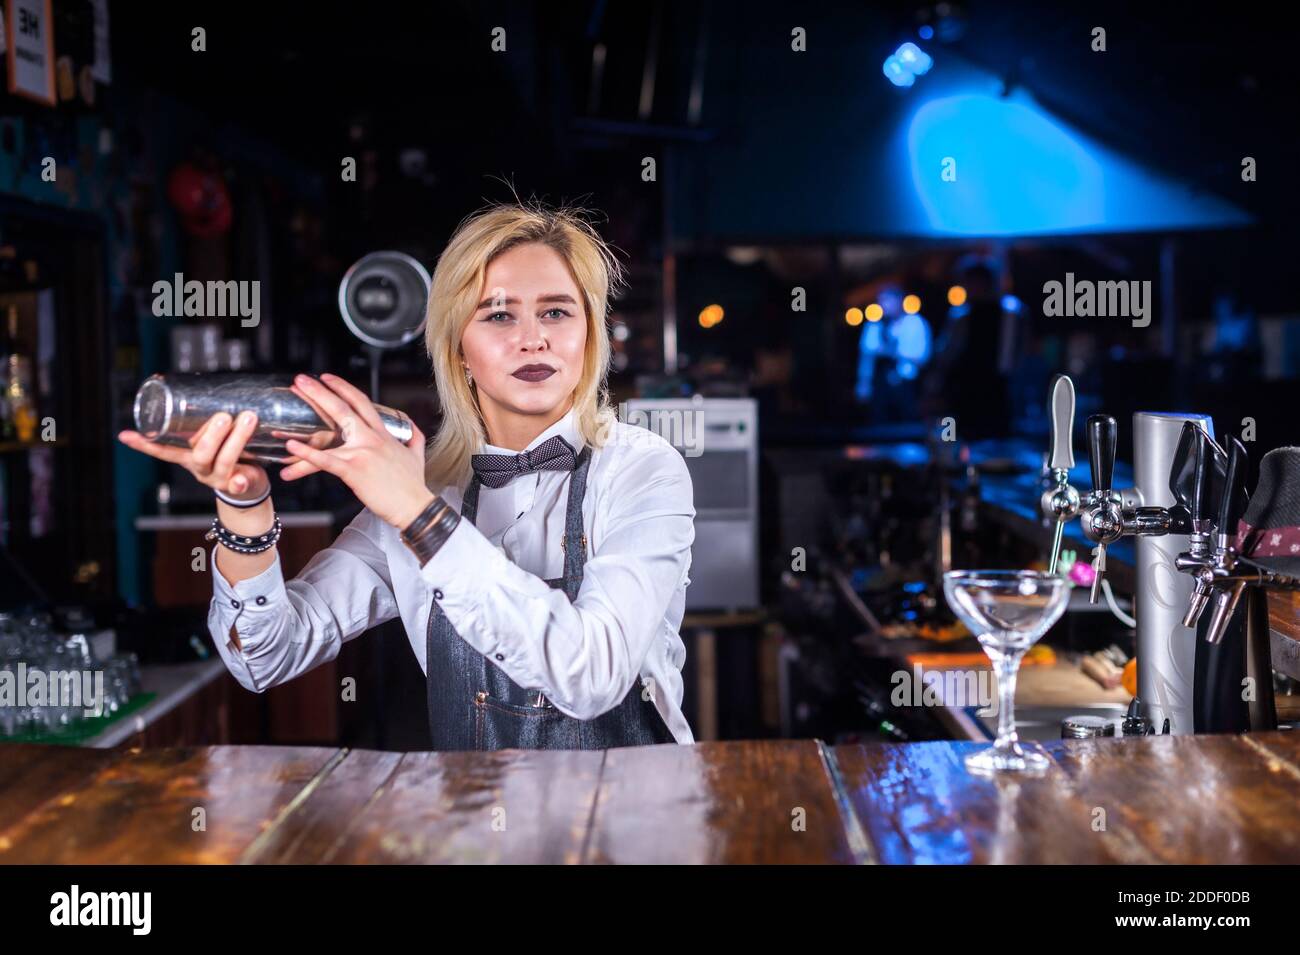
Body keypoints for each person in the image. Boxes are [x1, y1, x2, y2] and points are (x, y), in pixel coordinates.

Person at [118, 201, 697, 749]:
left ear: (589, 334)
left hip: (628, 829)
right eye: (498, 314)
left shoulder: (642, 469)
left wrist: (421, 518)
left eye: (556, 311)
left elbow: (593, 676)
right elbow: (265, 658)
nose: (533, 337)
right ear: (458, 350)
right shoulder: (425, 484)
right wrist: (244, 510)